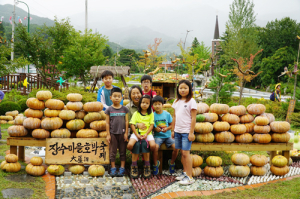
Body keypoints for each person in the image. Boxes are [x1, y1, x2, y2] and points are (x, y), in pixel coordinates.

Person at [172, 79, 197, 185]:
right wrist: (173, 130)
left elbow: (193, 118)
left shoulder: (192, 101)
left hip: (186, 132)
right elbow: (174, 116)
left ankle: (190, 177)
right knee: (182, 154)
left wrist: (191, 133)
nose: (183, 90)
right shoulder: (176, 101)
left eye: (185, 88)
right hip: (177, 131)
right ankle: (185, 172)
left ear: (189, 89)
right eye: (181, 88)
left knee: (186, 154)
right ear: (178, 89)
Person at [127, 95, 156, 179]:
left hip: (147, 134)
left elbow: (151, 125)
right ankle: (134, 166)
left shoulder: (150, 114)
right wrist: (137, 135)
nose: (144, 104)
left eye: (147, 103)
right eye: (143, 102)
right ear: (140, 103)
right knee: (130, 145)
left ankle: (146, 165)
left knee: (153, 146)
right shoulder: (136, 113)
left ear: (149, 105)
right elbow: (132, 124)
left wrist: (146, 134)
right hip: (137, 133)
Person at [105, 87, 129, 177]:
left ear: (122, 97)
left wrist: (126, 133)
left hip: (122, 134)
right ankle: (113, 168)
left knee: (123, 151)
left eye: (119, 96)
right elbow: (107, 123)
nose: (117, 98)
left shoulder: (125, 109)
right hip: (113, 134)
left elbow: (126, 121)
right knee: (113, 151)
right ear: (110, 97)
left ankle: (122, 168)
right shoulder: (109, 110)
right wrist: (108, 134)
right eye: (114, 96)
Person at [152, 95, 178, 175]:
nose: (157, 106)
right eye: (155, 104)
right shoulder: (152, 115)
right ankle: (156, 164)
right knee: (155, 147)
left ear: (162, 105)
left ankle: (172, 162)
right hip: (158, 136)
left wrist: (167, 129)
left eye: (159, 104)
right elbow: (151, 126)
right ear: (153, 105)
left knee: (176, 147)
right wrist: (155, 129)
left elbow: (171, 125)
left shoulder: (166, 114)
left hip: (168, 136)